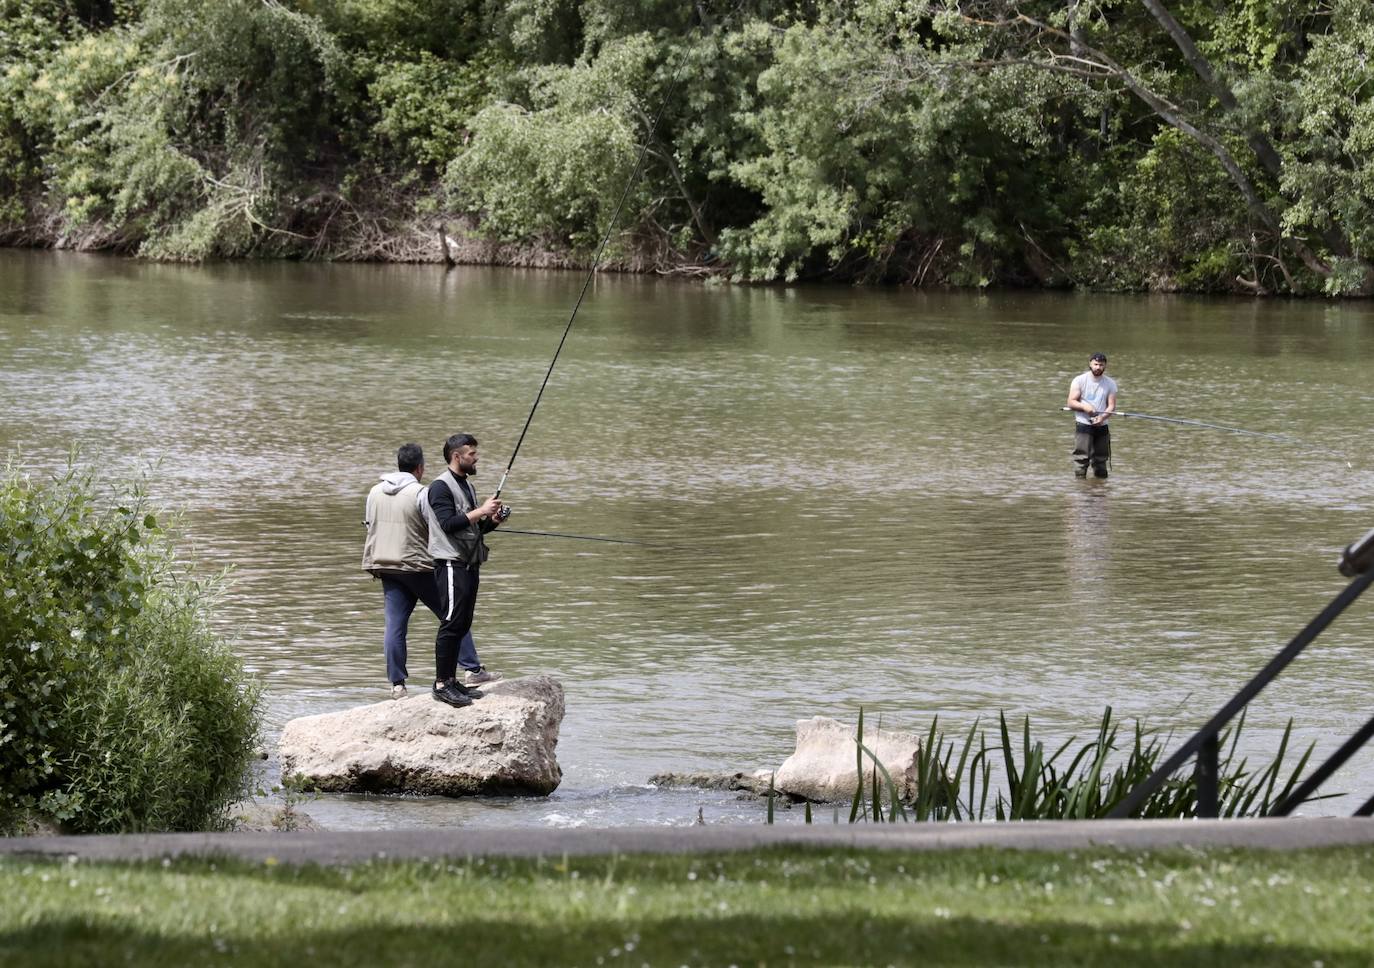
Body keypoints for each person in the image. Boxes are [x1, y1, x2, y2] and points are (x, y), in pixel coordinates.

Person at [362, 443, 497, 700]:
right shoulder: (421, 492)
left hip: (384, 564)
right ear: (420, 468)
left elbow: (369, 524)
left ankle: (398, 685)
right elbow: (438, 526)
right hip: (419, 565)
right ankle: (471, 669)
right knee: (453, 617)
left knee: (395, 625)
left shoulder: (374, 491)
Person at [420, 432, 507, 707]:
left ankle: (453, 680)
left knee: (463, 623)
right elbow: (447, 524)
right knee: (451, 622)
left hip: (469, 562)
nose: (476, 458)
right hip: (449, 563)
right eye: (471, 454)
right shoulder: (439, 487)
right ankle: (441, 684)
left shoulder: (466, 485)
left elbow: (471, 528)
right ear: (457, 456)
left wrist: (492, 520)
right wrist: (481, 510)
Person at [1067, 352, 1118, 479]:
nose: (1098, 367)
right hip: (1083, 423)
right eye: (1095, 364)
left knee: (1101, 459)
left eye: (1101, 365)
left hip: (1102, 424)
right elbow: (1071, 402)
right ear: (1090, 364)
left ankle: (1100, 488)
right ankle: (1080, 485)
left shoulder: (1110, 383)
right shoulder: (1079, 380)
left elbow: (1111, 406)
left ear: (1105, 366)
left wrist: (1102, 417)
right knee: (1081, 458)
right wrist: (1085, 407)